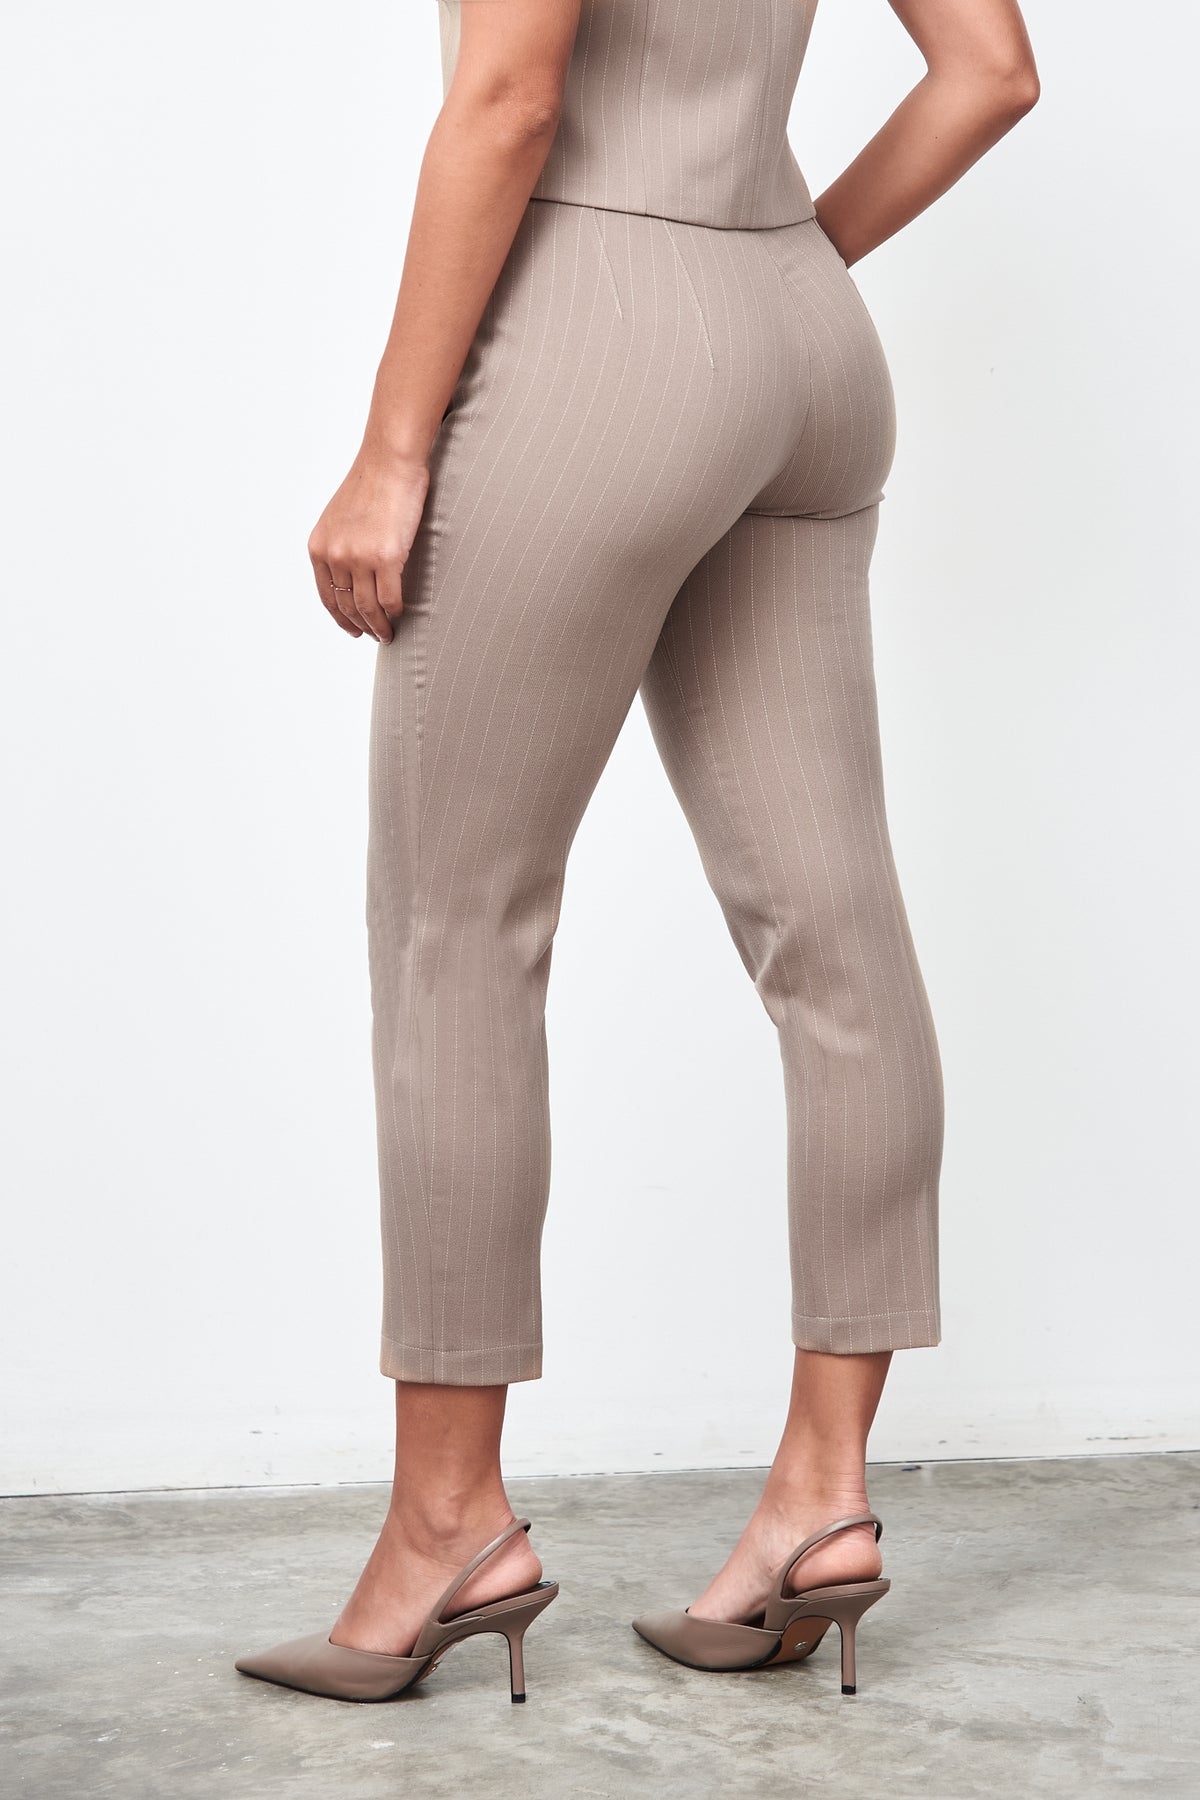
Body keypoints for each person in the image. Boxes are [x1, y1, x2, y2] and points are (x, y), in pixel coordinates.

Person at [235, 0, 1039, 1703]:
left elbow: (511, 101)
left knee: (458, 931)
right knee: (835, 939)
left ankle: (445, 1528)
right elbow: (990, 71)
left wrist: (392, 448)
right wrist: (783, 270)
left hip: (596, 327)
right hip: (804, 341)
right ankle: (821, 1504)